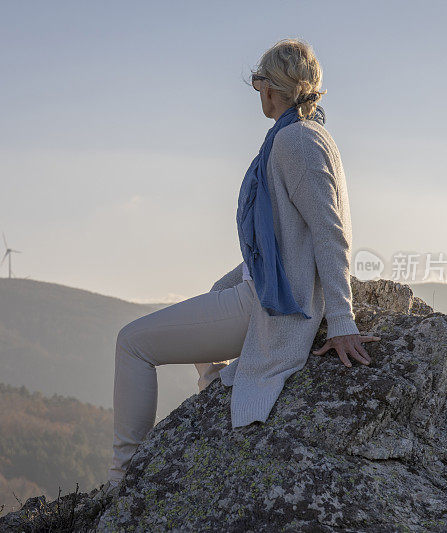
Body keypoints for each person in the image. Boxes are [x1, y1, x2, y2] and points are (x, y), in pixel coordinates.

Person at [101, 38, 380, 494]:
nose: (258, 94)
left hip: (272, 308)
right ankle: (213, 393)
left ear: (273, 88)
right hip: (269, 292)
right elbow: (289, 236)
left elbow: (330, 232)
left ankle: (121, 480)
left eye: (258, 84)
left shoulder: (296, 141)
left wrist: (342, 320)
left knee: (132, 343)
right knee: (210, 294)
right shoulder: (304, 135)